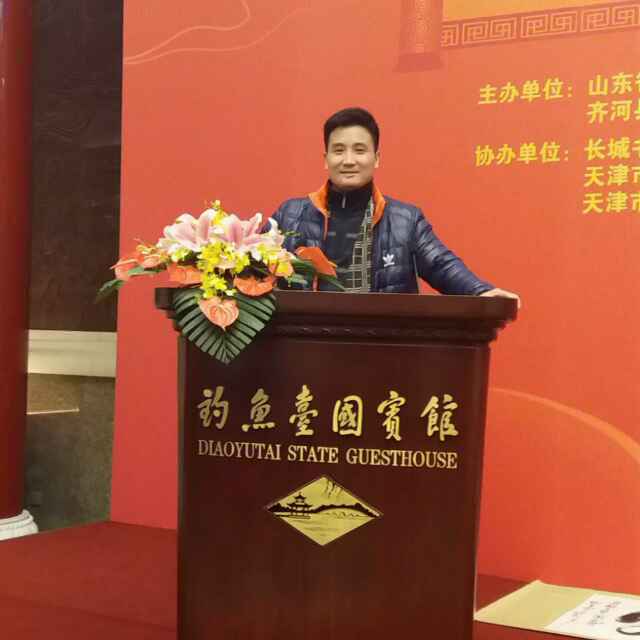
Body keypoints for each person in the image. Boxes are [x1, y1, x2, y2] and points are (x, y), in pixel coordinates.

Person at [269, 107, 520, 304]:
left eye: (359, 150)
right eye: (338, 150)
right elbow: (255, 272)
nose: (348, 160)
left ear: (376, 158)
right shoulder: (291, 214)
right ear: (326, 159)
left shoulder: (406, 220)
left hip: (382, 345)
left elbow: (440, 264)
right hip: (308, 344)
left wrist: (480, 291)